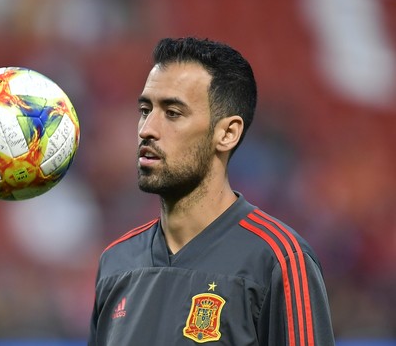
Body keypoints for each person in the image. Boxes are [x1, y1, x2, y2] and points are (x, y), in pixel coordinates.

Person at [88, 37, 335, 345]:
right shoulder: (116, 262)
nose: (146, 129)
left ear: (227, 133)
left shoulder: (279, 260)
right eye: (144, 109)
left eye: (173, 112)